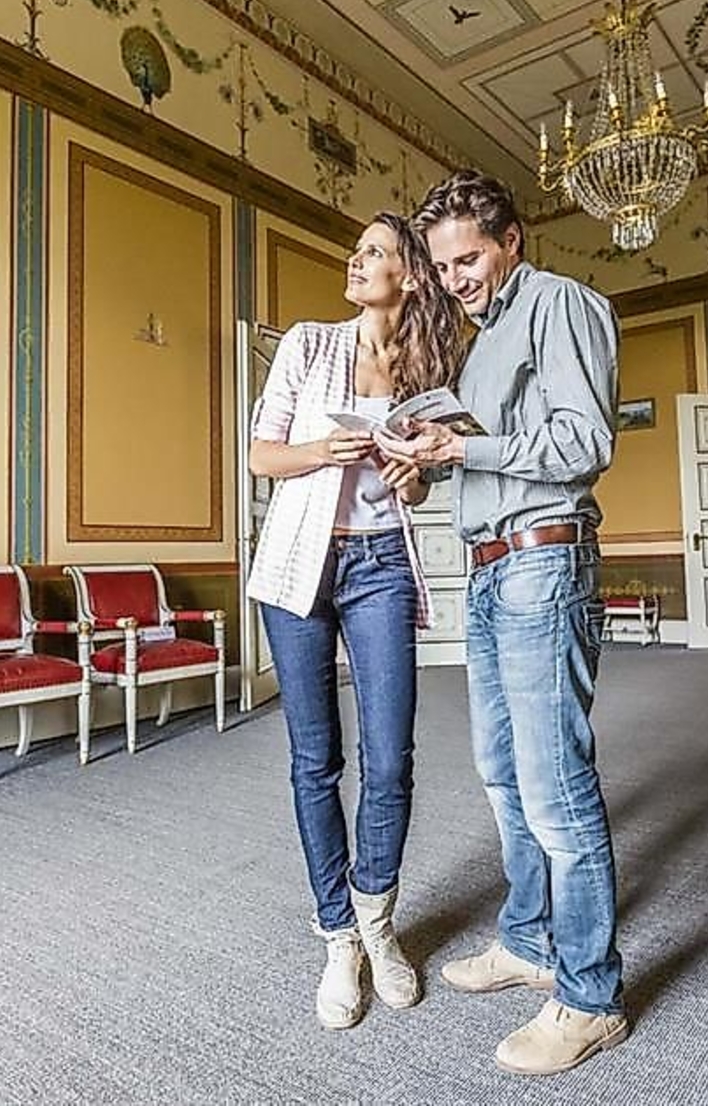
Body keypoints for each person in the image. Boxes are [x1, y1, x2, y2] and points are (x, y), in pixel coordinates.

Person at [386, 170, 626, 1076]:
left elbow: (584, 442)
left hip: (543, 562)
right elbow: (495, 453)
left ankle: (591, 997)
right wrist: (429, 464)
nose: (456, 279)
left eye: (469, 258)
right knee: (503, 775)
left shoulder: (561, 304)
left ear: (511, 240)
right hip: (489, 568)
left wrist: (466, 446)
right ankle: (528, 941)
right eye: (444, 266)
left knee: (555, 785)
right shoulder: (481, 343)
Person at [246, 211, 467, 1031]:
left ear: (409, 273)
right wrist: (321, 453)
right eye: (357, 249)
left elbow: (419, 485)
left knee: (391, 756)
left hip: (380, 565)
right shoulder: (308, 344)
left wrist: (414, 475)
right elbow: (262, 455)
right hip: (298, 566)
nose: (356, 259)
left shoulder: (424, 368)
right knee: (316, 760)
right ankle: (337, 935)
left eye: (373, 251)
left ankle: (378, 919)